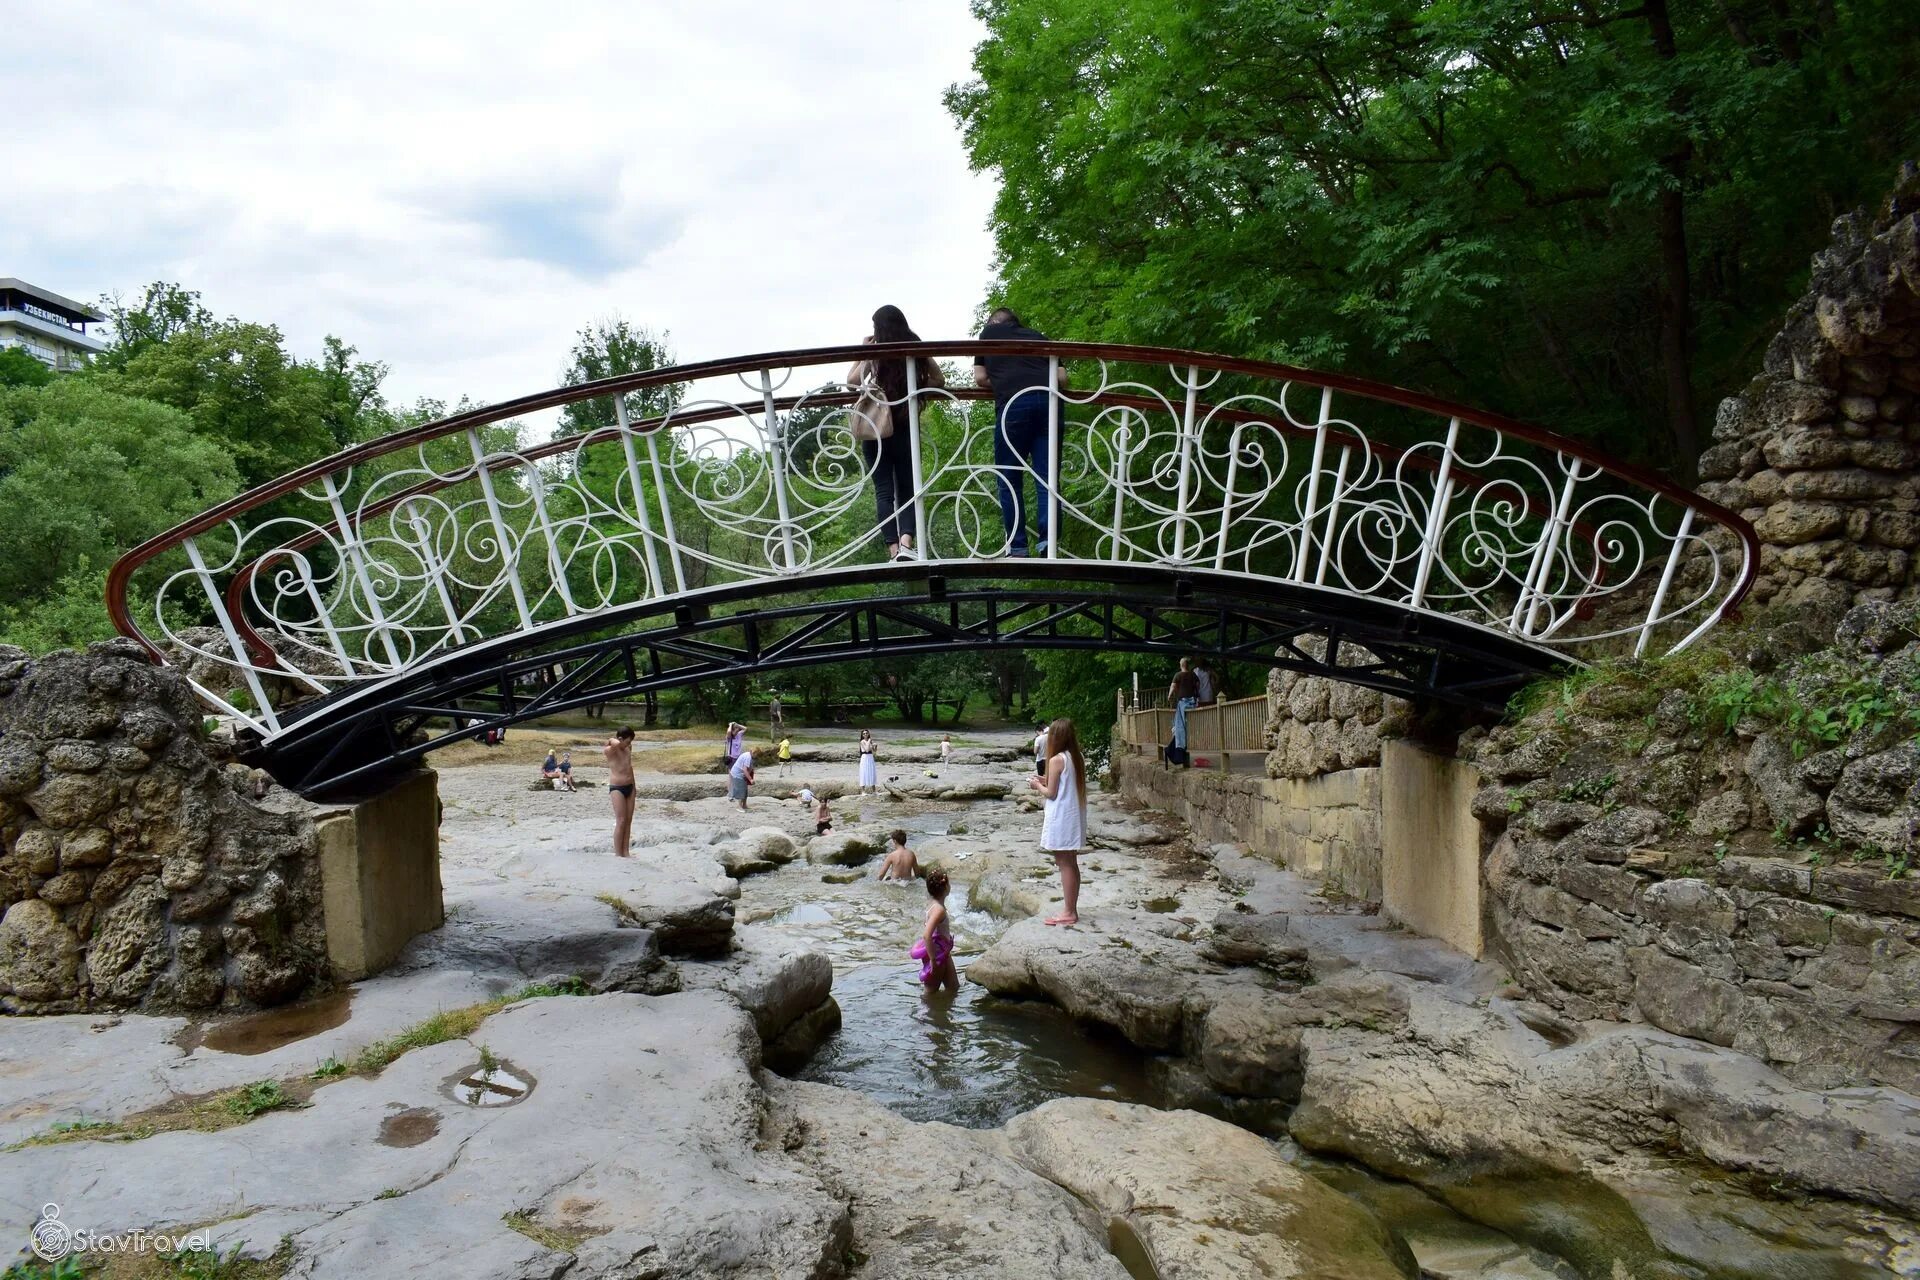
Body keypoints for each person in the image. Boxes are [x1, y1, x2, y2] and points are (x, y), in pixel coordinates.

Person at [846, 305, 946, 561]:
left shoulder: (876, 350)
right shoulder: (912, 347)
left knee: (883, 491)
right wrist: (919, 354)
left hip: (876, 431)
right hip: (905, 428)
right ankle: (907, 544)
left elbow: (852, 382)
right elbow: (939, 380)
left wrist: (864, 351)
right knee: (907, 490)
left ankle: (893, 550)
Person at [973, 307, 1069, 557]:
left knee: (1009, 477)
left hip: (1014, 404)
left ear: (994, 322)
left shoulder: (988, 335)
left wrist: (1006, 379)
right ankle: (1048, 543)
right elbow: (1061, 377)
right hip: (1049, 402)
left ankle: (1017, 546)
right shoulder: (1038, 336)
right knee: (1047, 479)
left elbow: (980, 378)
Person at [1028, 716, 1088, 926]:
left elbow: (1051, 793)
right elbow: (1063, 783)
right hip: (1073, 815)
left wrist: (1037, 786)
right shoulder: (1076, 756)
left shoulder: (1056, 760)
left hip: (1061, 816)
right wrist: (1044, 780)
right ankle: (1071, 907)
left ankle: (1069, 911)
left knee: (1064, 863)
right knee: (1071, 862)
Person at [910, 870, 959, 992]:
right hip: (937, 956)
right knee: (930, 994)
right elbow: (927, 935)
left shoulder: (933, 905)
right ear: (946, 887)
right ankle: (924, 1011)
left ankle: (948, 1009)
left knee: (954, 988)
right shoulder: (939, 910)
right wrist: (932, 960)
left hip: (944, 952)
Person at [603, 727, 636, 858]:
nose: (629, 744)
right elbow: (614, 743)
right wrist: (612, 739)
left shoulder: (628, 749)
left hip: (630, 786)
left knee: (628, 821)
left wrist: (634, 787)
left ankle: (626, 852)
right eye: (627, 741)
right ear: (620, 739)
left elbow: (630, 767)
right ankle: (618, 853)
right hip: (617, 788)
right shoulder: (610, 751)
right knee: (621, 820)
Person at [1168, 658, 1200, 757]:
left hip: (1182, 702)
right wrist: (1195, 691)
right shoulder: (1193, 675)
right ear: (1188, 665)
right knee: (1189, 722)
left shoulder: (1178, 675)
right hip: (1192, 701)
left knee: (1179, 723)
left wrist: (1169, 696)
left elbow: (1173, 686)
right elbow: (1198, 684)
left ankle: (1181, 746)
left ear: (1181, 665)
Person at [728, 743, 755, 811]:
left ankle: (744, 805)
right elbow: (744, 769)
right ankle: (739, 806)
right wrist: (750, 779)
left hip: (742, 774)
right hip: (737, 774)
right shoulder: (748, 757)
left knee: (745, 790)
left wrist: (748, 776)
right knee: (741, 790)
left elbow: (750, 768)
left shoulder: (750, 756)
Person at [857, 729, 877, 793]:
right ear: (862, 735)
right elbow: (867, 749)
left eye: (866, 733)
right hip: (865, 757)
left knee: (871, 772)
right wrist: (869, 741)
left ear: (868, 734)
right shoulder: (862, 741)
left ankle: (874, 791)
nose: (865, 734)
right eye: (864, 734)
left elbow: (874, 751)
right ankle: (863, 791)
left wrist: (875, 746)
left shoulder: (870, 741)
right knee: (864, 772)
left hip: (870, 757)